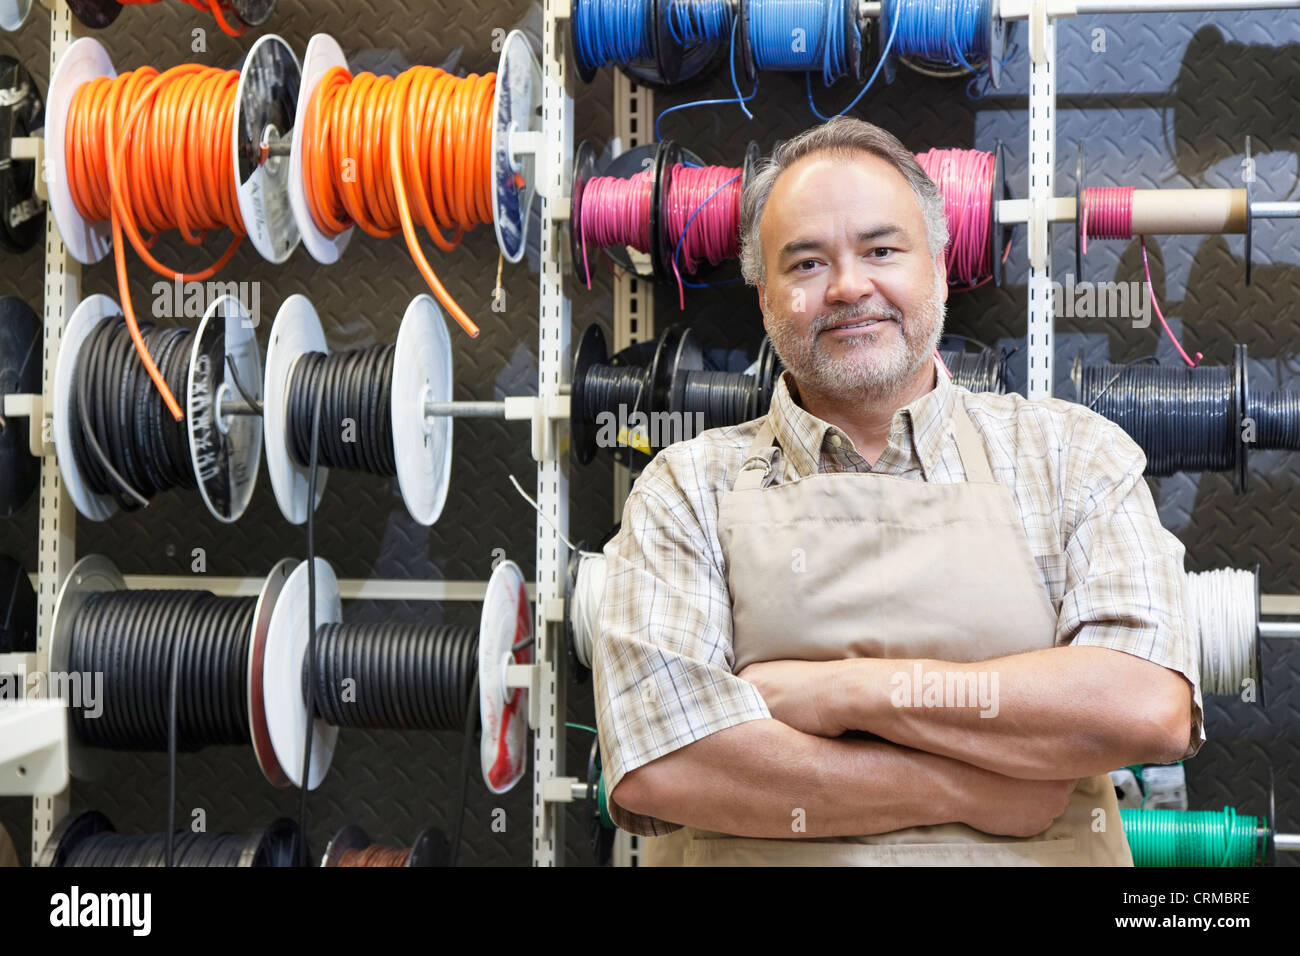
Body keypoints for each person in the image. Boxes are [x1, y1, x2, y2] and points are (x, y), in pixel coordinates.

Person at [589, 116, 1203, 866]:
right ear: (764, 299)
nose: (850, 287)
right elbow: (665, 762)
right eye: (807, 264)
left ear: (940, 270)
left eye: (881, 251)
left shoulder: (1072, 456)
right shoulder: (684, 491)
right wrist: (966, 793)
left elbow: (1145, 707)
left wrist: (847, 693)